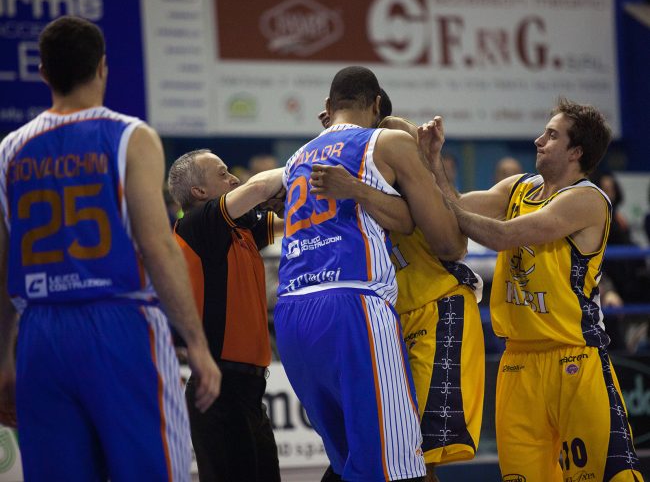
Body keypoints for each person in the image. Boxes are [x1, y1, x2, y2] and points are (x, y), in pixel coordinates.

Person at [0, 16, 221, 481]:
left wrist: (4, 357)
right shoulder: (129, 137)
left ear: (43, 73)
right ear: (102, 68)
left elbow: (3, 265)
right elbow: (158, 246)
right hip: (119, 324)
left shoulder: (10, 150)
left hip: (39, 333)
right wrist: (196, 344)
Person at [425, 98, 644, 481]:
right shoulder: (518, 188)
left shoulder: (587, 200)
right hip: (517, 362)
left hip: (575, 359)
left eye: (552, 135)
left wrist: (448, 206)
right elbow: (455, 206)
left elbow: (504, 235)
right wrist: (432, 162)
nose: (538, 140)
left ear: (576, 152)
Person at [274, 66, 467, 482]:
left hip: (291, 313)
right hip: (352, 304)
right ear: (377, 104)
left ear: (327, 108)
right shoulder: (387, 140)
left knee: (350, 464)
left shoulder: (294, 161)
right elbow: (450, 244)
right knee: (398, 467)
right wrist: (429, 168)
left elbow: (401, 219)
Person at [313, 111, 485, 481]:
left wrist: (432, 158)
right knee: (392, 449)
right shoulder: (355, 163)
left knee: (418, 456)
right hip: (389, 318)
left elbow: (455, 243)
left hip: (439, 308)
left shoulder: (393, 134)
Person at [168, 149, 284, 482]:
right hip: (219, 388)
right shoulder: (197, 224)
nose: (233, 178)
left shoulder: (239, 230)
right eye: (222, 174)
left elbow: (294, 221)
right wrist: (325, 152)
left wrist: (289, 203)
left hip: (248, 389)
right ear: (199, 192)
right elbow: (258, 189)